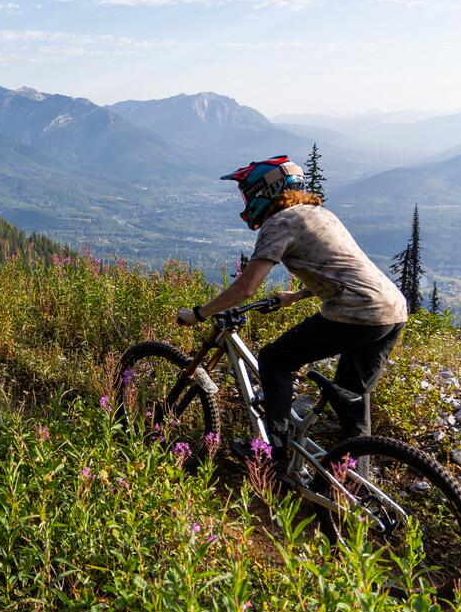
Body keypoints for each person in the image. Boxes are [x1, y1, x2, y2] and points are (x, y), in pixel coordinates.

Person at [175, 155, 408, 459]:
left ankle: (275, 451)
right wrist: (296, 296)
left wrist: (198, 313)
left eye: (247, 192)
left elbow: (246, 287)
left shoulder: (279, 222)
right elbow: (342, 270)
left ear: (265, 192)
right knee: (352, 399)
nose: (245, 199)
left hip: (356, 312)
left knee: (274, 360)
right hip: (392, 310)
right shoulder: (320, 214)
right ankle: (350, 487)